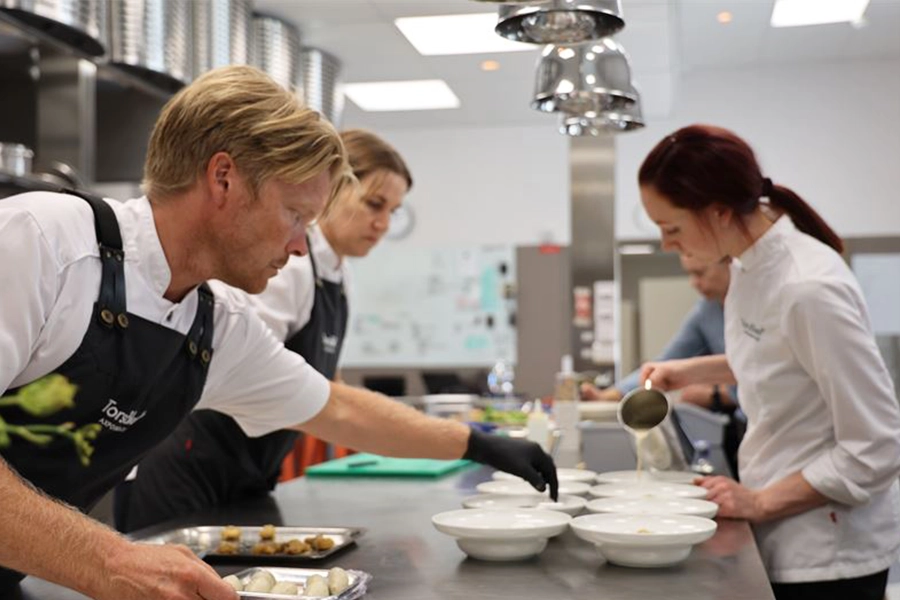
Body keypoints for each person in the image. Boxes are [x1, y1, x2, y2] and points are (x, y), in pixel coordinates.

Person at [0, 66, 557, 600]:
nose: (298, 247)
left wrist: (478, 444)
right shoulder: (44, 244)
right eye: (294, 215)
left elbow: (335, 409)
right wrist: (110, 561)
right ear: (224, 179)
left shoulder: (215, 324)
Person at [636, 124, 900, 599]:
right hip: (783, 530)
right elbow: (776, 359)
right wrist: (688, 372)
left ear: (717, 212)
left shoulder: (808, 287)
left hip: (827, 552)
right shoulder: (748, 268)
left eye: (670, 228)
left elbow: (876, 446)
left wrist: (758, 501)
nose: (667, 245)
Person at [114, 129, 414, 532]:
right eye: (374, 204)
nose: (382, 223)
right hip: (187, 467)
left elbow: (330, 381)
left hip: (250, 471)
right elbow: (257, 377)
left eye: (393, 212)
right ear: (333, 190)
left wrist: (395, 428)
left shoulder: (340, 278)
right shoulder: (289, 267)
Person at [581, 253, 736, 412]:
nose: (693, 283)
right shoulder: (707, 311)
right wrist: (609, 396)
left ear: (729, 262)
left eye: (699, 273)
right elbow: (666, 362)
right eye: (689, 274)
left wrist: (719, 394)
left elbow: (753, 367)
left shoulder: (757, 302)